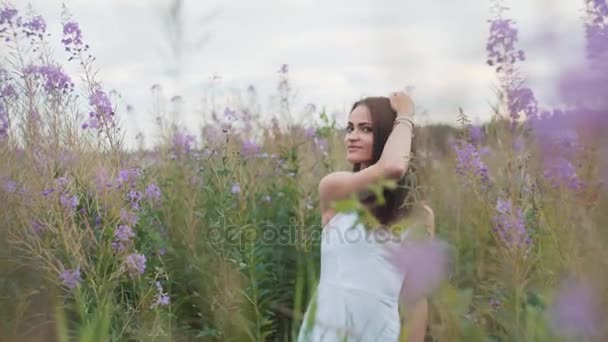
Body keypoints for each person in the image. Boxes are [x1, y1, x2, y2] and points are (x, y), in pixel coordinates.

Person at [297, 91, 434, 341]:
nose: (352, 137)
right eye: (350, 128)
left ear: (387, 135)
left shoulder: (420, 216)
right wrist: (405, 114)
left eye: (366, 129)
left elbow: (416, 300)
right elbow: (392, 167)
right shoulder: (335, 188)